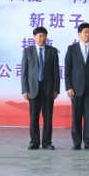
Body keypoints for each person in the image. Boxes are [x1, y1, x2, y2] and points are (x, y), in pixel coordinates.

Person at [21, 21, 60, 151]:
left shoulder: (52, 51)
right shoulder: (28, 51)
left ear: (46, 37)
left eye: (44, 36)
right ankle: (34, 142)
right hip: (33, 90)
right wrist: (25, 90)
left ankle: (47, 142)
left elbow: (56, 72)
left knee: (48, 118)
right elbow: (24, 72)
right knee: (34, 118)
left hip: (48, 90)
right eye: (39, 36)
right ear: (34, 37)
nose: (41, 38)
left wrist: (56, 89)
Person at [64, 20, 89, 149]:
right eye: (85, 32)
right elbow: (67, 70)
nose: (88, 35)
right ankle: (76, 142)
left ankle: (88, 142)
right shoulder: (72, 49)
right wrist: (68, 87)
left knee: (88, 116)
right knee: (76, 117)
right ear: (79, 34)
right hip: (75, 89)